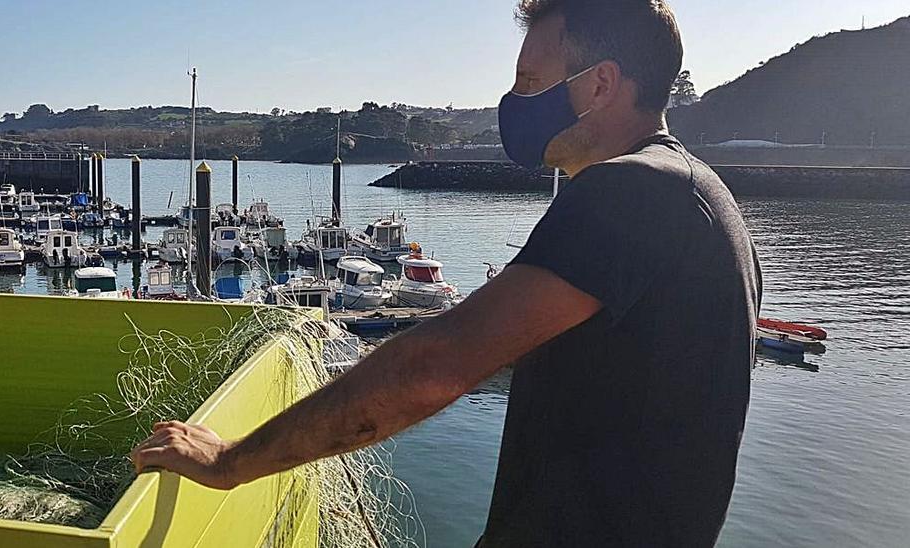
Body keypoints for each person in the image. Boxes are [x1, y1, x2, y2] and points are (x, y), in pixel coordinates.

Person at [131, 1, 761, 546]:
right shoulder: (704, 197)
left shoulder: (630, 192)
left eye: (529, 79)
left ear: (598, 86)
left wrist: (230, 461)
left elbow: (433, 366)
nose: (514, 100)